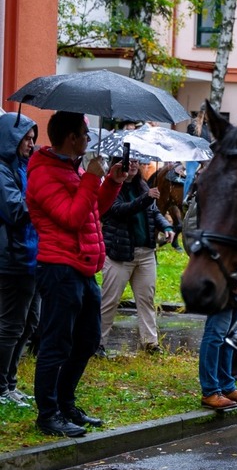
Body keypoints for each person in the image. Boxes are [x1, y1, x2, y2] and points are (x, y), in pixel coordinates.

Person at [26, 111, 129, 437]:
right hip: (58, 269)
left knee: (86, 341)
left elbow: (91, 211)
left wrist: (111, 181)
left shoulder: (72, 170)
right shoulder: (43, 174)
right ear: (71, 138)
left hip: (82, 269)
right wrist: (90, 179)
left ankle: (66, 404)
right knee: (56, 345)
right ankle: (48, 414)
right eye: (85, 135)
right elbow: (70, 218)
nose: (88, 140)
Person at [98, 160, 175, 354]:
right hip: (119, 254)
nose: (132, 165)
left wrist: (166, 226)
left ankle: (150, 343)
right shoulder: (111, 186)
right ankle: (97, 343)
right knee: (109, 301)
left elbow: (153, 211)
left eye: (136, 162)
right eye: (128, 161)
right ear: (118, 163)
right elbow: (119, 210)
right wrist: (146, 198)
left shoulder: (142, 185)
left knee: (146, 299)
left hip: (146, 253)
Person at [0, 113, 40, 409]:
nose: (31, 144)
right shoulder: (1, 171)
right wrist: (42, 198)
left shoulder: (25, 168)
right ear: (10, 139)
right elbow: (14, 209)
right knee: (11, 326)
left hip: (33, 257)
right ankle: (1, 387)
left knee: (30, 324)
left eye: (32, 138)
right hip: (11, 257)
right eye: (26, 138)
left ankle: (11, 383)